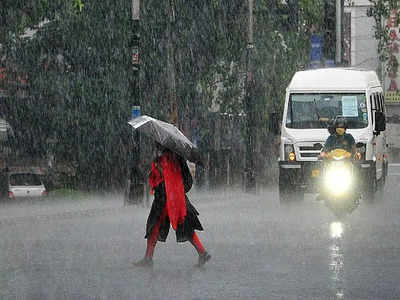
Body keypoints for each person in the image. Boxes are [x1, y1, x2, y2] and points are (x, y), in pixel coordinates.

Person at [133, 143, 211, 267]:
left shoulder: (165, 158)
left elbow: (160, 177)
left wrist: (157, 167)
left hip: (165, 197)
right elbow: (182, 178)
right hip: (177, 196)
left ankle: (148, 258)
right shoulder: (177, 157)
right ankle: (202, 252)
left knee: (154, 225)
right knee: (185, 224)